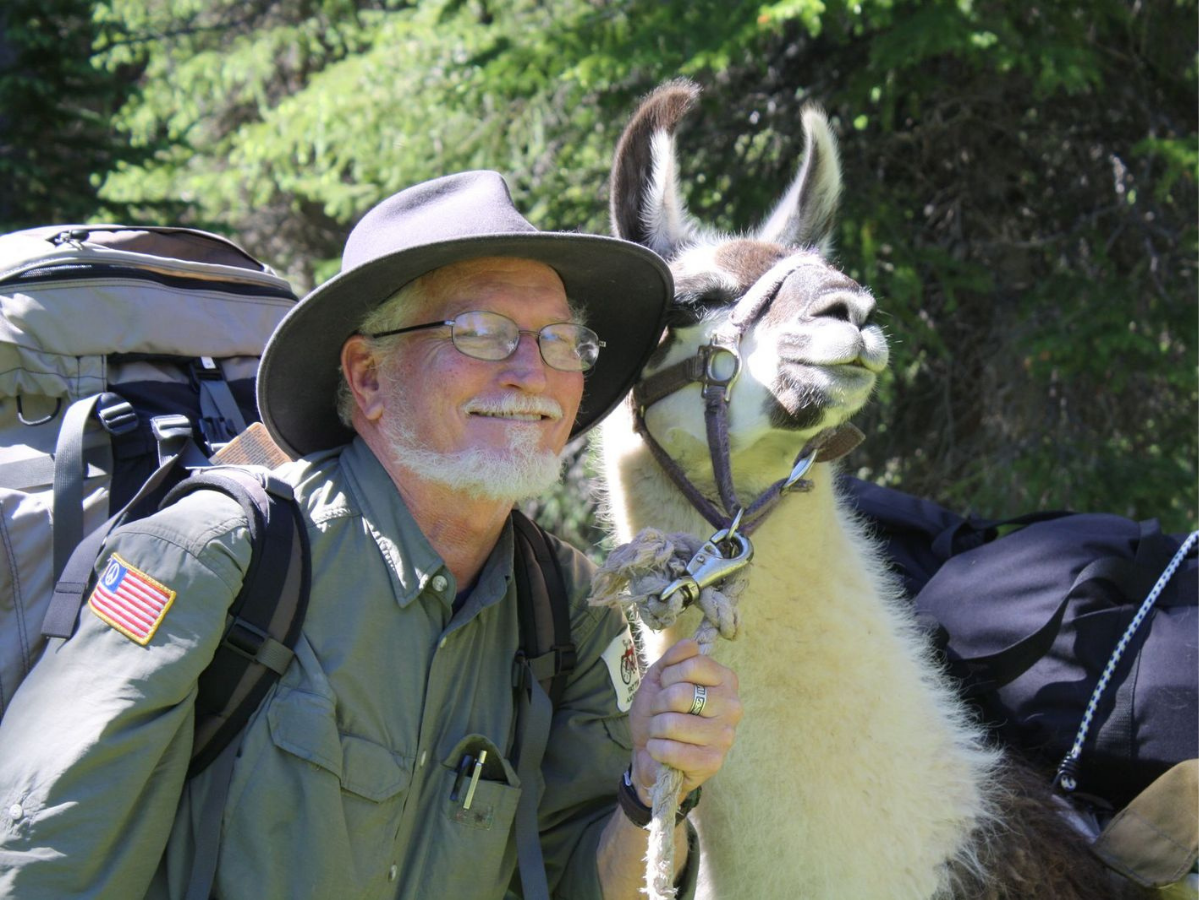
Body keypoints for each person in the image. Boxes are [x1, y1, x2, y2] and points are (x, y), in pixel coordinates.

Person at [0, 171, 743, 898]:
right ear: (369, 377)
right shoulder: (213, 556)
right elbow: (49, 861)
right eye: (481, 334)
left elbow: (591, 883)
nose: (532, 372)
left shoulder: (572, 610)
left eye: (560, 340)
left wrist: (651, 785)